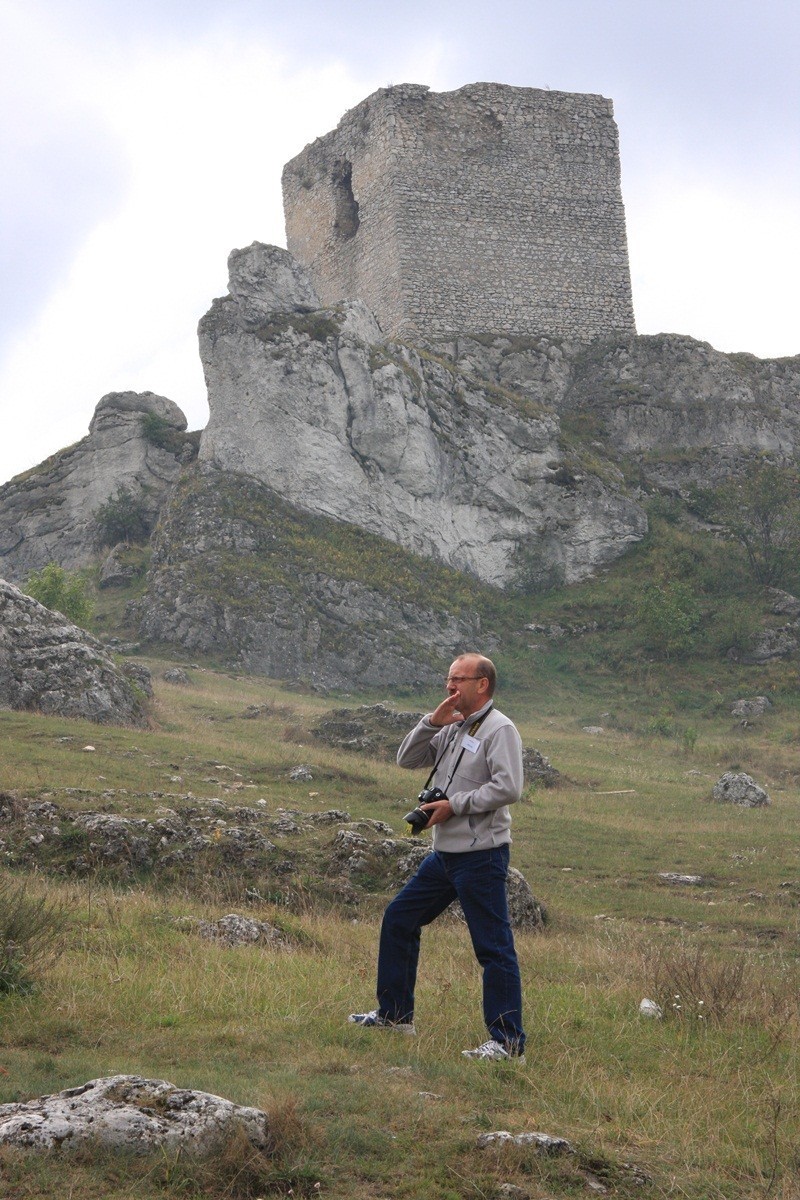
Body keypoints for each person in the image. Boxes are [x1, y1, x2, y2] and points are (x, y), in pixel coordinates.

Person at [349, 652, 526, 1061]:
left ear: (482, 684)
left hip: (481, 855)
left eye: (458, 680)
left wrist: (455, 805)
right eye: (448, 679)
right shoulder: (452, 726)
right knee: (399, 918)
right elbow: (406, 760)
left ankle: (507, 1042)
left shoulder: (500, 729)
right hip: (444, 854)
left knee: (493, 948)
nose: (450, 687)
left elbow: (509, 787)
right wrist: (432, 721)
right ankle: (395, 1017)